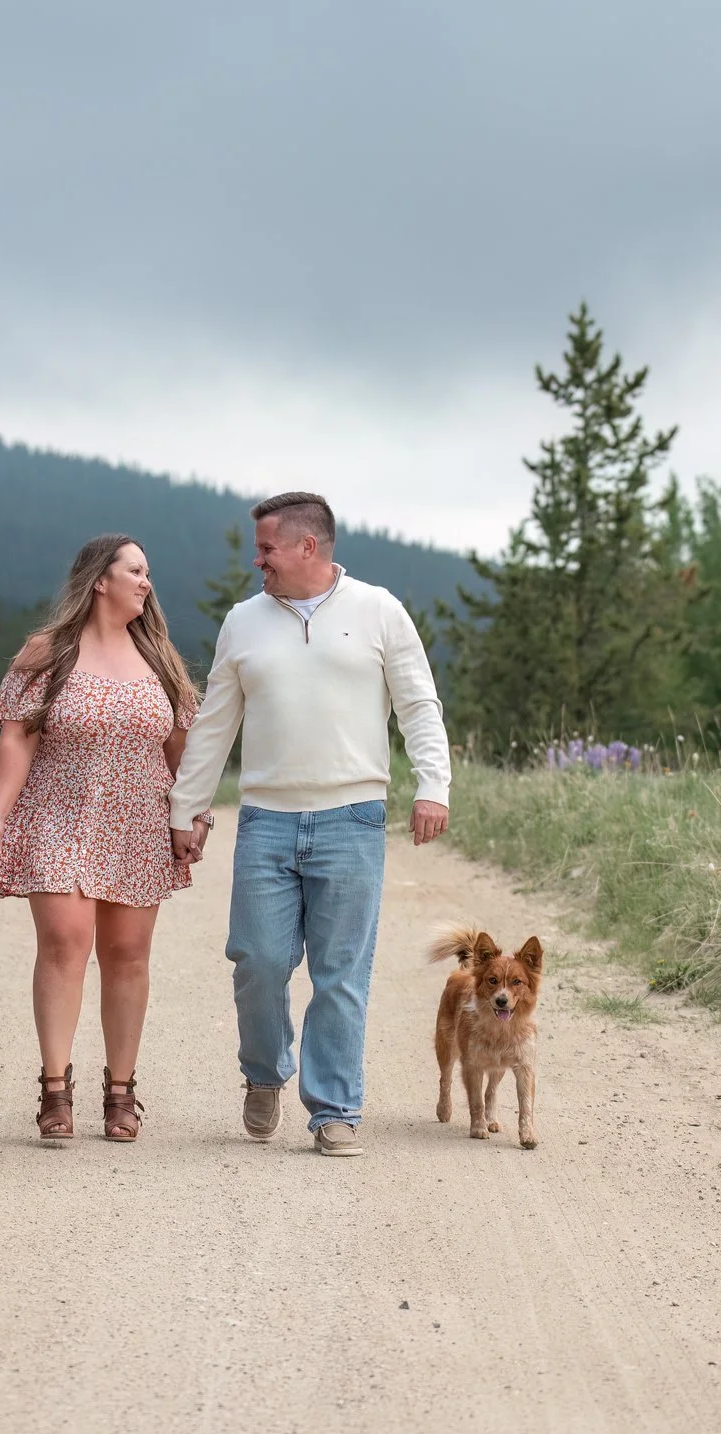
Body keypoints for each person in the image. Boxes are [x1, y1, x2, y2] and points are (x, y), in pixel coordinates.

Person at [169, 491, 451, 1156]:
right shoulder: (244, 622)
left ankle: (334, 1109)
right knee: (259, 962)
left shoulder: (379, 611)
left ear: (307, 547)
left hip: (352, 817)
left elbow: (419, 704)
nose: (257, 562)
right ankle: (264, 1072)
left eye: (266, 549)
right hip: (266, 819)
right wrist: (187, 807)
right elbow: (214, 724)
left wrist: (432, 785)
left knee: (340, 972)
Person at [0, 535, 199, 1143]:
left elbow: (183, 749)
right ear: (100, 579)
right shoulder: (47, 653)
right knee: (64, 943)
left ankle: (121, 1093)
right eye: (135, 570)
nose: (146, 581)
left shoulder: (159, 657)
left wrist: (193, 816)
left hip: (137, 823)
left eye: (148, 572)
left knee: (127, 955)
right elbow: (18, 737)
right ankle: (55, 1089)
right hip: (57, 815)